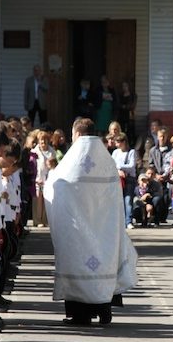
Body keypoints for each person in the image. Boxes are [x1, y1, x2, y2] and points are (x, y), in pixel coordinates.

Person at [44, 118, 138, 325]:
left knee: (79, 263)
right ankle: (104, 309)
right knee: (105, 261)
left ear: (76, 134)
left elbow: (54, 186)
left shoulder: (71, 162)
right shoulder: (107, 162)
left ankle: (81, 314)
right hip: (104, 226)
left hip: (77, 229)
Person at [111, 134, 137, 229]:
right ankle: (120, 221)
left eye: (119, 142)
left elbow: (131, 166)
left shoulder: (131, 152)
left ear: (124, 142)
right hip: (118, 178)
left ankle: (128, 221)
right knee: (119, 200)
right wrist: (118, 171)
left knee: (128, 199)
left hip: (129, 178)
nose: (117, 144)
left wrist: (119, 167)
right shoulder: (115, 152)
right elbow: (111, 164)